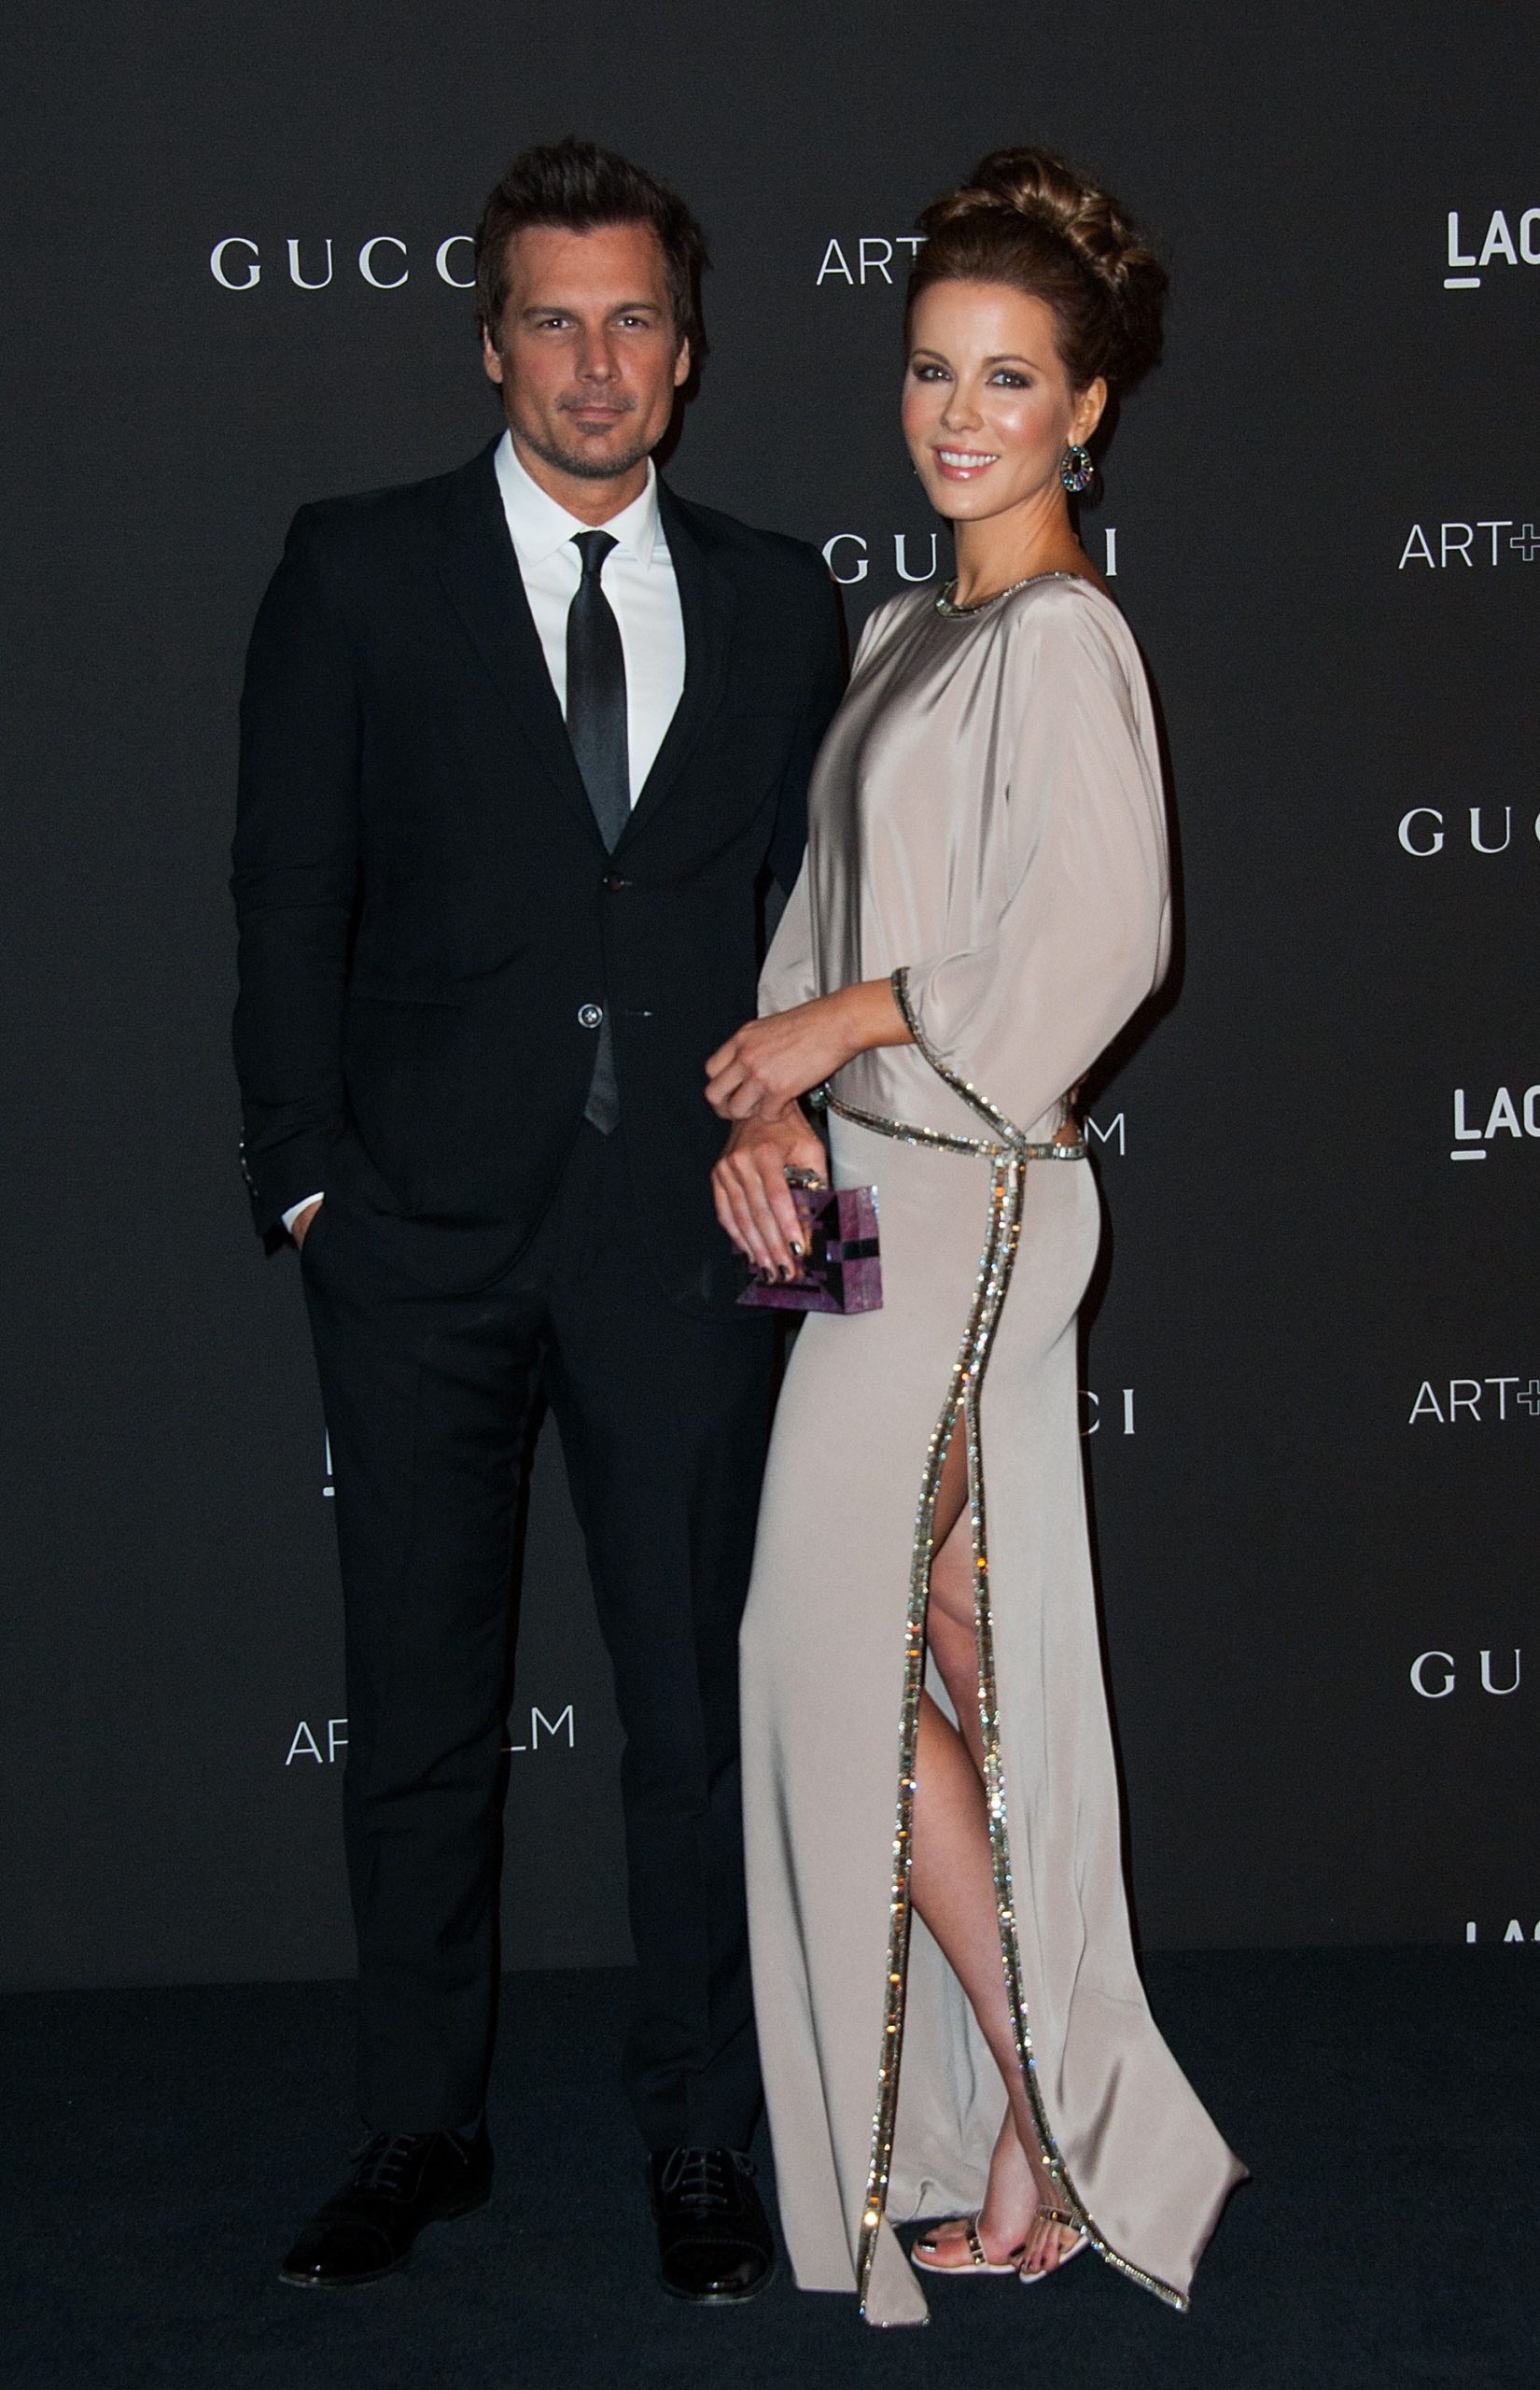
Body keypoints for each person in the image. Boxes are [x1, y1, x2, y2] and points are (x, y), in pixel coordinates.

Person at [231, 135, 843, 2301]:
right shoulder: (356, 569)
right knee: (418, 1705)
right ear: (492, 344)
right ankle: (422, 2119)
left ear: (688, 353)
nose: (597, 362)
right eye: (554, 321)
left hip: (693, 1236)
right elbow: (285, 892)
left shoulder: (782, 600)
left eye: (635, 320)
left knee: (691, 1713)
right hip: (417, 1239)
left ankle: (703, 2133)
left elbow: (817, 919)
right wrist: (309, 1184)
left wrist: (820, 1182)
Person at [706, 148, 1245, 2327]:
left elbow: (1096, 948)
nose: (960, 413)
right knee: (950, 1655)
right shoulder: (901, 629)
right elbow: (814, 933)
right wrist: (767, 1104)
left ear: (1087, 406)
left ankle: (1058, 2106)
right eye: (935, 367)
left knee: (815, 1651)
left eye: (1011, 377)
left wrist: (844, 1021)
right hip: (864, 1190)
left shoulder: (1066, 638)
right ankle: (1039, 2122)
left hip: (981, 1201)